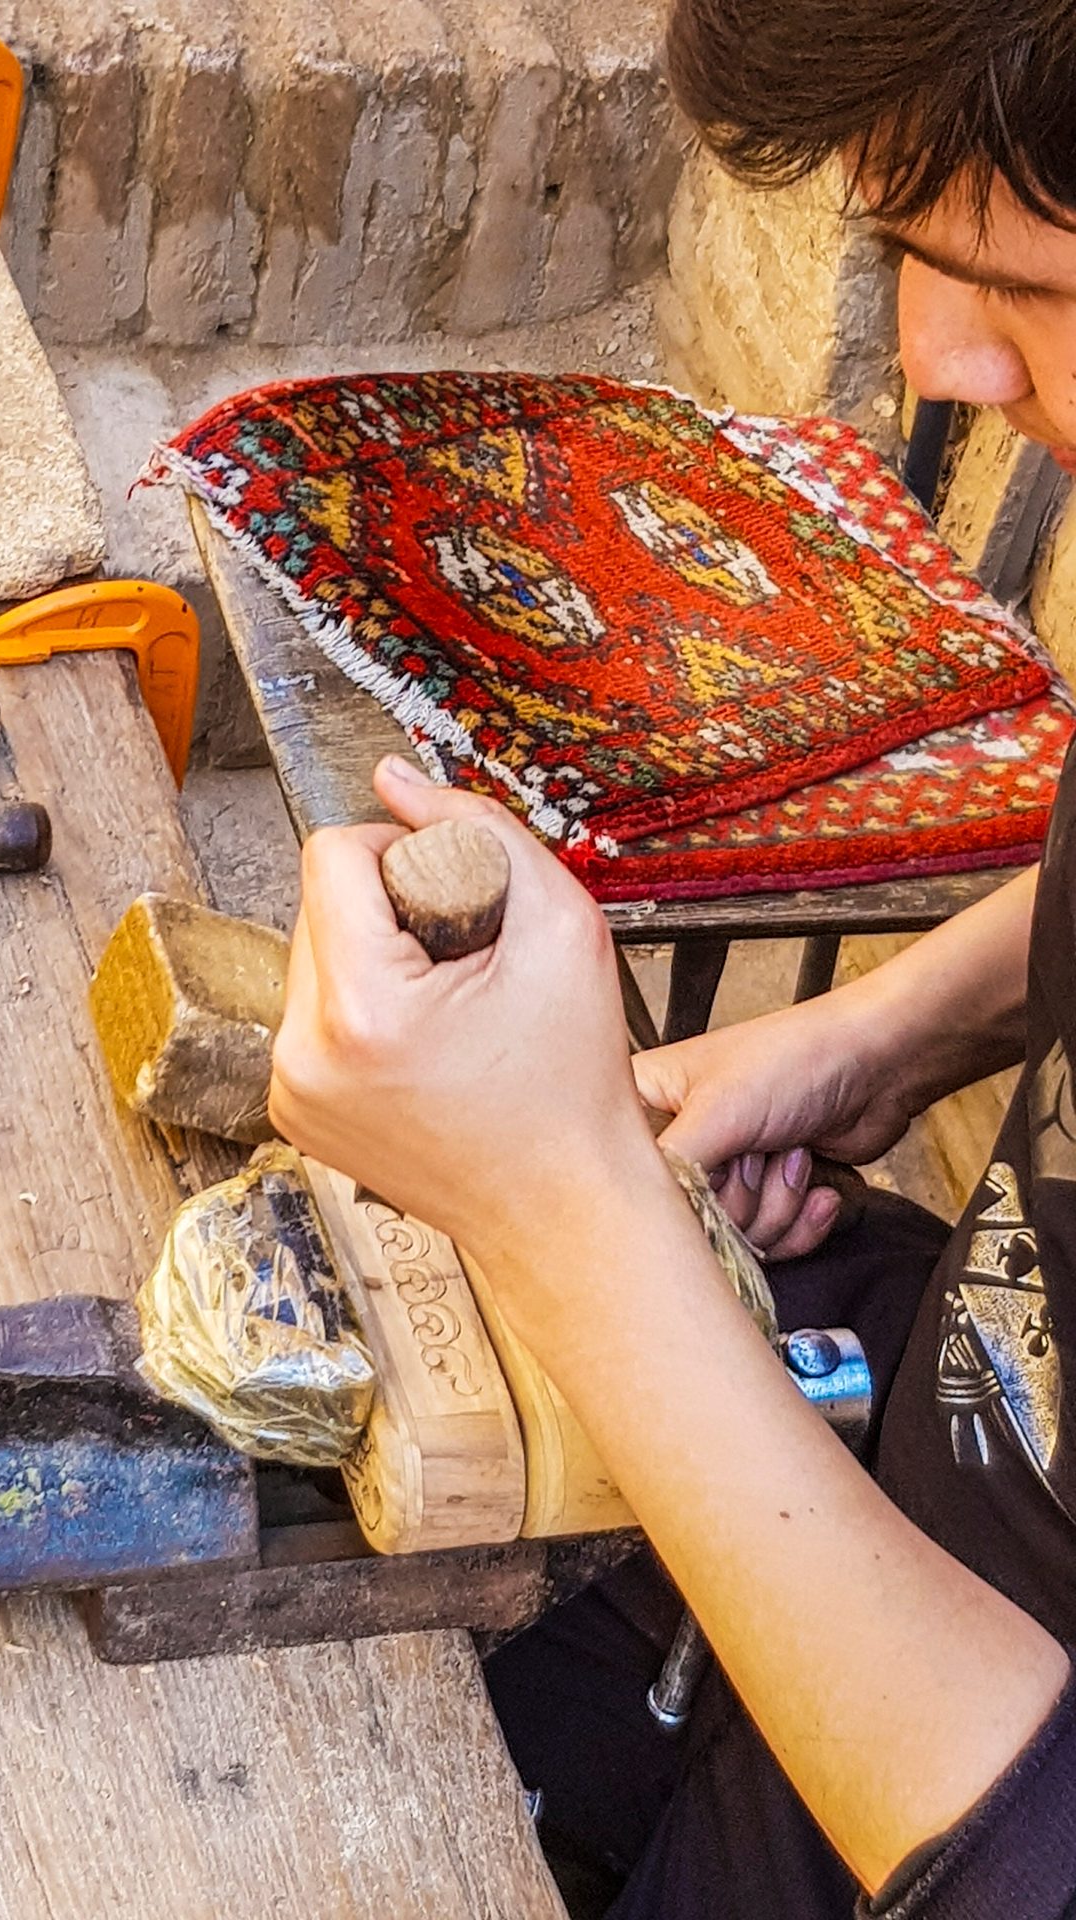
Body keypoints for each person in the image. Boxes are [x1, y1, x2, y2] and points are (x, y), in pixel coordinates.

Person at [267, 3, 1076, 1914]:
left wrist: (562, 1207)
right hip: (907, 1447)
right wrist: (885, 1040)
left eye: (1029, 280)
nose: (939, 360)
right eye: (918, 265)